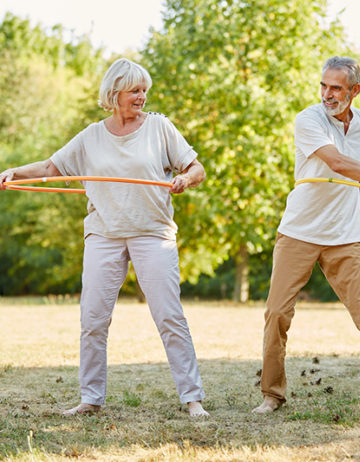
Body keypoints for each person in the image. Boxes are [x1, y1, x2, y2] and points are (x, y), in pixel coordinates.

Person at [0, 58, 209, 417]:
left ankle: (193, 399)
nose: (142, 96)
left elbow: (196, 167)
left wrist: (185, 179)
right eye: (134, 90)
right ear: (114, 93)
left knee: (169, 316)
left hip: (151, 232)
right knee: (93, 319)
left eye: (144, 89)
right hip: (104, 234)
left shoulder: (159, 128)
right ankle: (90, 398)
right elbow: (52, 169)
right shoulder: (92, 136)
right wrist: (14, 171)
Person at [251, 56, 360, 416]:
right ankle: (272, 395)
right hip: (300, 230)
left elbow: (357, 160)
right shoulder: (308, 119)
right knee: (277, 313)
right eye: (323, 86)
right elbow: (338, 163)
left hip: (344, 234)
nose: (327, 94)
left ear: (354, 91)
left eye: (336, 88)